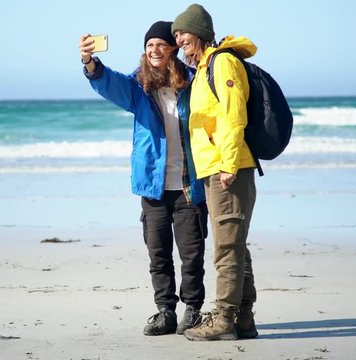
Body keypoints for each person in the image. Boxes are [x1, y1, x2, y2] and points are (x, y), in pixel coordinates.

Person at [79, 21, 209, 336]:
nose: (154, 50)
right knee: (158, 253)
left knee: (192, 254)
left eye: (161, 44)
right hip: (153, 185)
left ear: (174, 49)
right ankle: (166, 312)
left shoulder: (194, 83)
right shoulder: (139, 86)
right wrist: (89, 62)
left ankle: (192, 311)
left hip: (189, 186)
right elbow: (109, 83)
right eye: (150, 45)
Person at [171, 4, 259, 341]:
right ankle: (244, 318)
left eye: (183, 33)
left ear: (200, 33)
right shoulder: (205, 67)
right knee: (234, 244)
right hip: (216, 169)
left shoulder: (223, 62)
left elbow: (234, 116)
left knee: (226, 248)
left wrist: (228, 164)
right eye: (176, 35)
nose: (179, 40)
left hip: (229, 169)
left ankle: (224, 321)